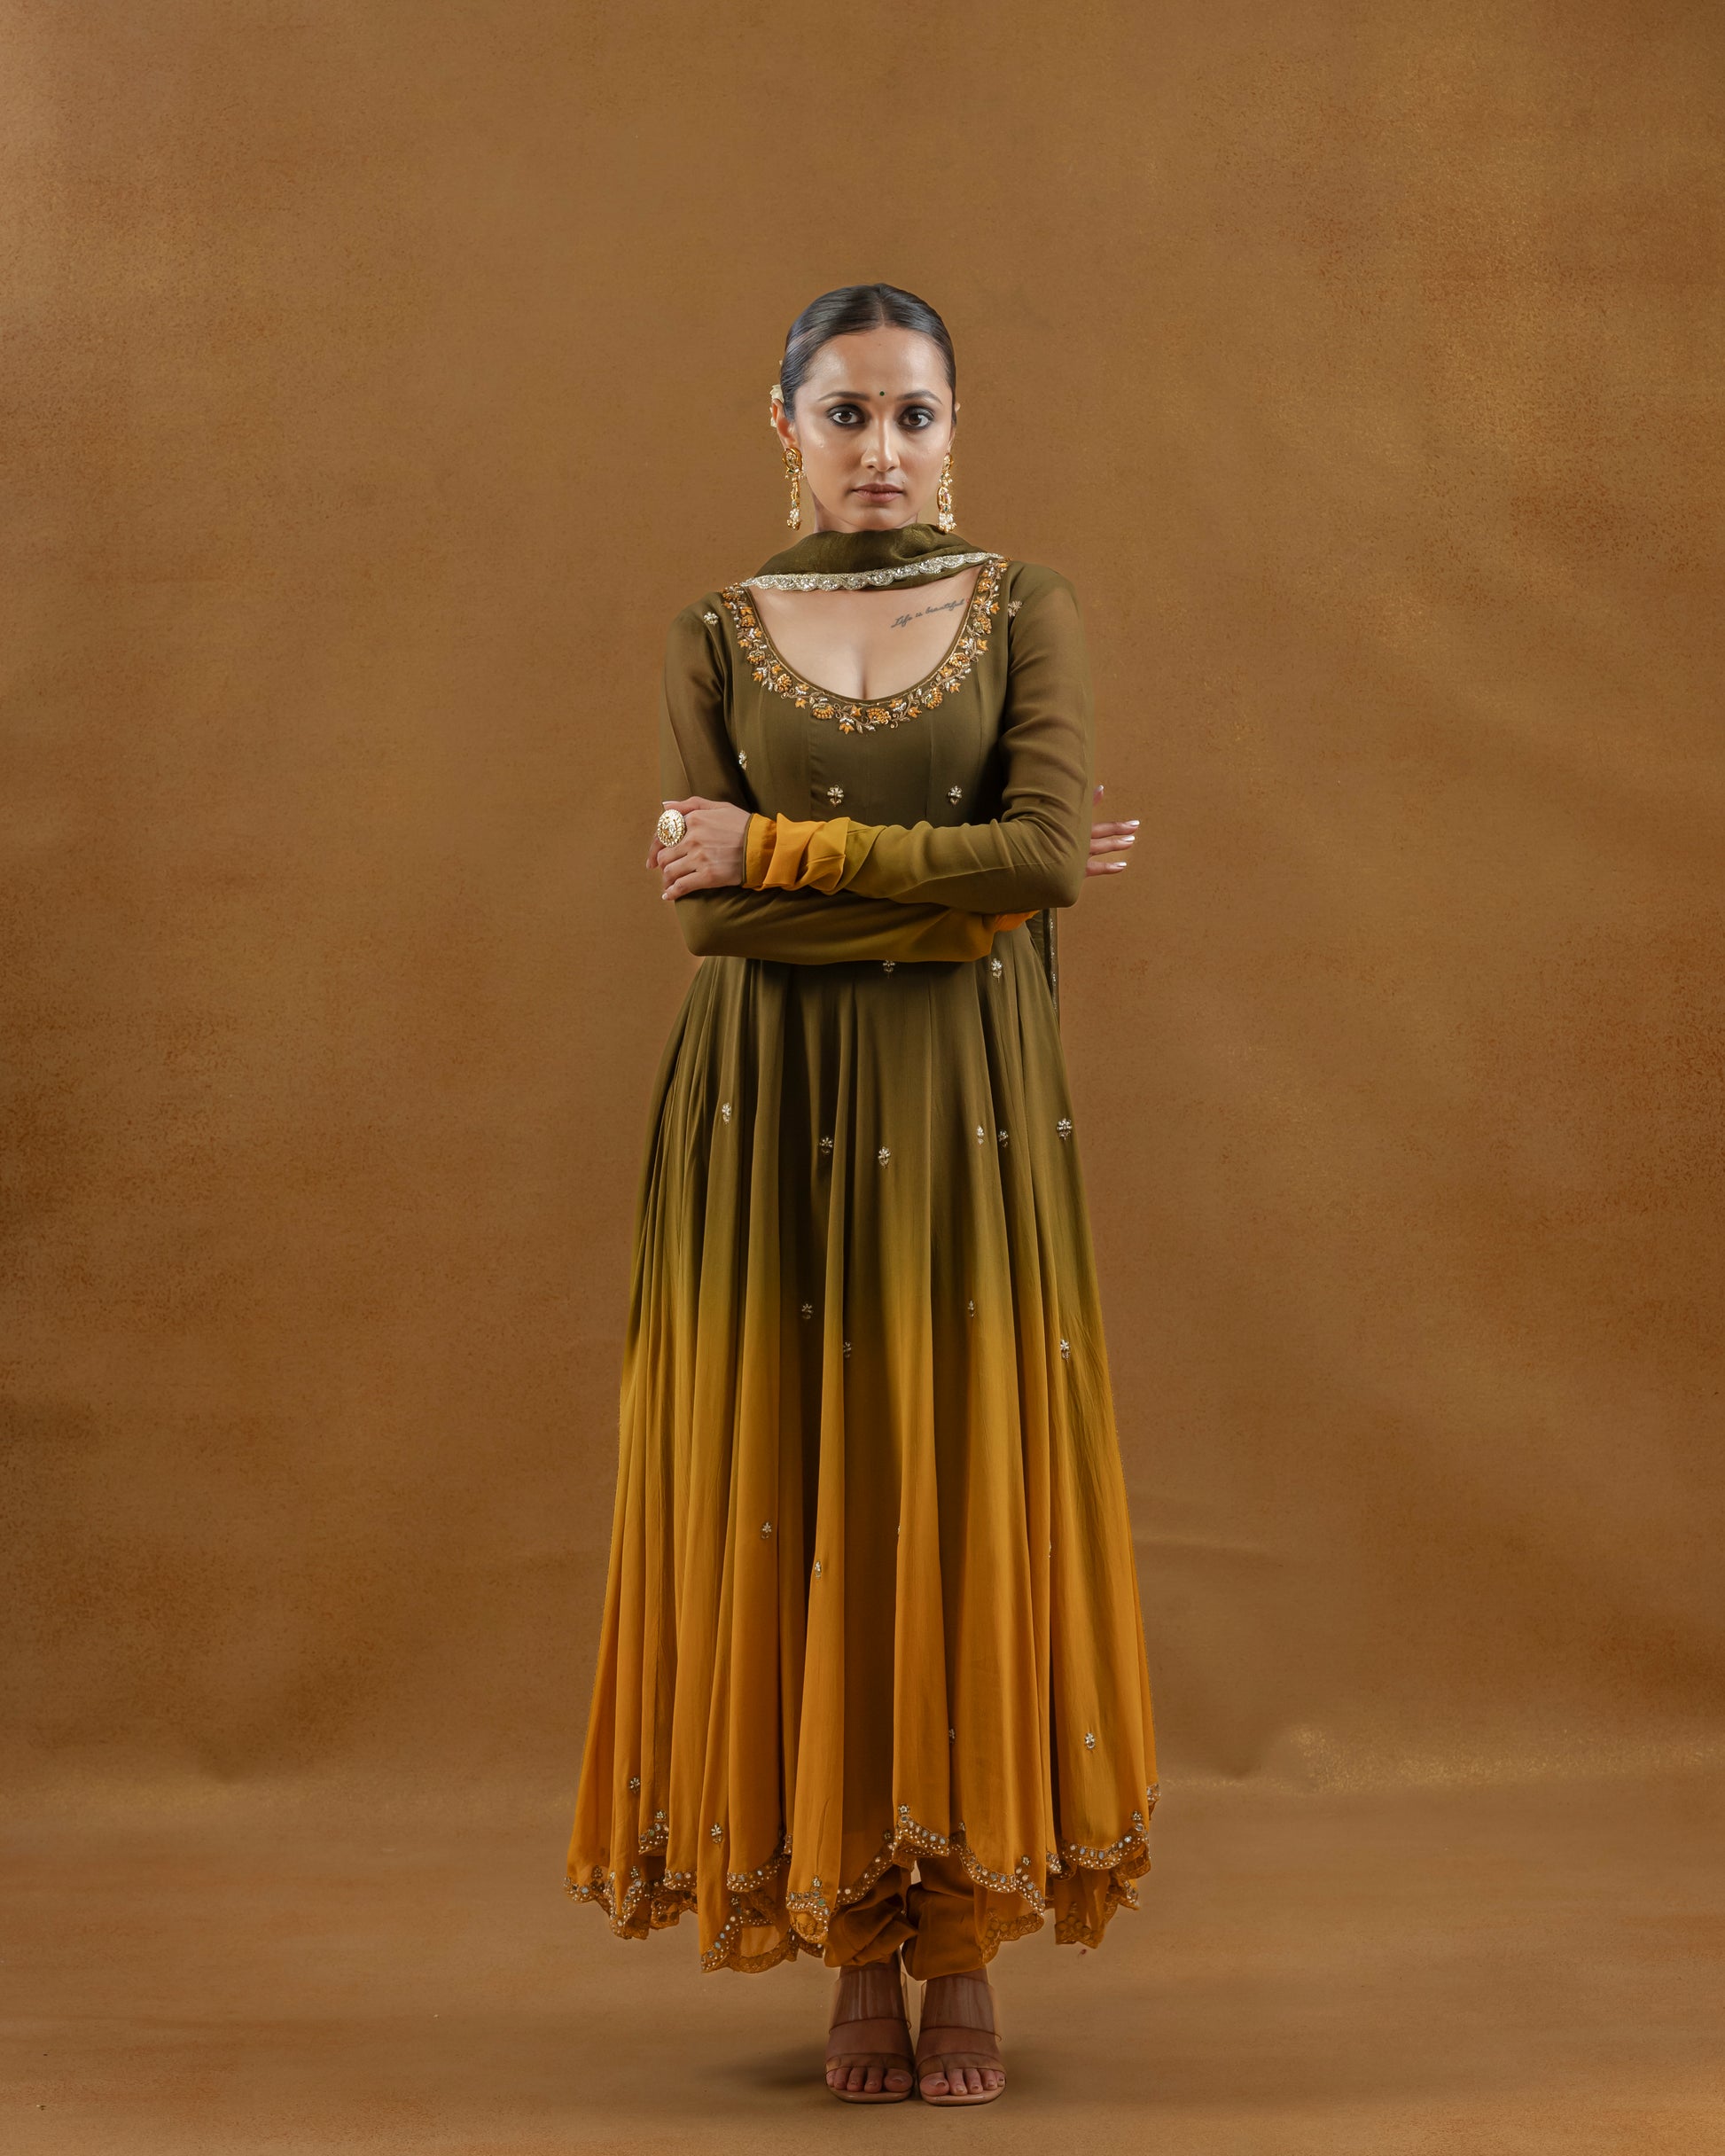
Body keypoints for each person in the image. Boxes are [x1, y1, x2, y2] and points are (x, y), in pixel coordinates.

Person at [566, 282, 1158, 2107]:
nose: (881, 449)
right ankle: (844, 1943)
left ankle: (960, 1947)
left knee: (953, 1476)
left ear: (956, 426)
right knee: (792, 1487)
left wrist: (786, 846)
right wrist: (962, 896)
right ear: (784, 427)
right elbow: (709, 924)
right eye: (846, 413)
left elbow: (1044, 853)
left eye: (913, 413)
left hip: (967, 1114)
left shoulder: (1026, 607)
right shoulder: (714, 631)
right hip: (764, 1114)